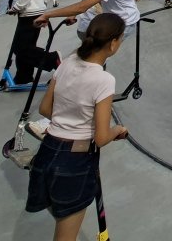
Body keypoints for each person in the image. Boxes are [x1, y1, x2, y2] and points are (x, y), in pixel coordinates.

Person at [26, 13, 129, 241]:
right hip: (75, 160)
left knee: (61, 219)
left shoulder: (68, 62)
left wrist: (69, 119)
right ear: (113, 43)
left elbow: (45, 108)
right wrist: (118, 130)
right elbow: (101, 137)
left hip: (47, 152)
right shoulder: (104, 80)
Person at [9, 0, 60, 85]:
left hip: (28, 15)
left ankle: (52, 59)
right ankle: (23, 77)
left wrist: (16, 8)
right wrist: (42, 2)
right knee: (27, 46)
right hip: (38, 12)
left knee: (20, 48)